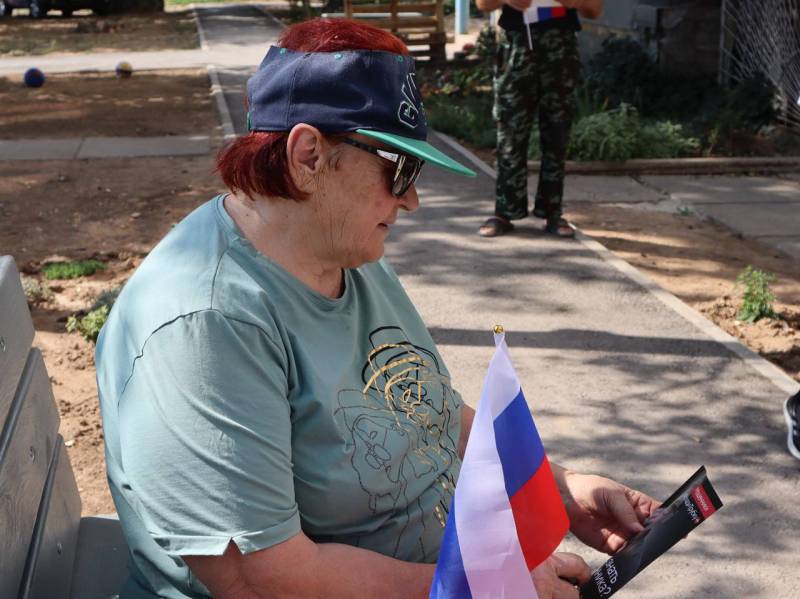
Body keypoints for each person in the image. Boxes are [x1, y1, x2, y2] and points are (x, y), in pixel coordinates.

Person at [96, 18, 658, 599]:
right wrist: (488, 588)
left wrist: (562, 490)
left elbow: (425, 409)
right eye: (400, 169)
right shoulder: (206, 327)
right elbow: (259, 578)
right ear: (309, 155)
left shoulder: (344, 251)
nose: (411, 199)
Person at [477, 0, 604, 238]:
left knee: (557, 134)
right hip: (517, 46)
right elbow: (482, 4)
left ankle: (552, 212)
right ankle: (504, 211)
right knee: (510, 135)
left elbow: (595, 10)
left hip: (560, 48)